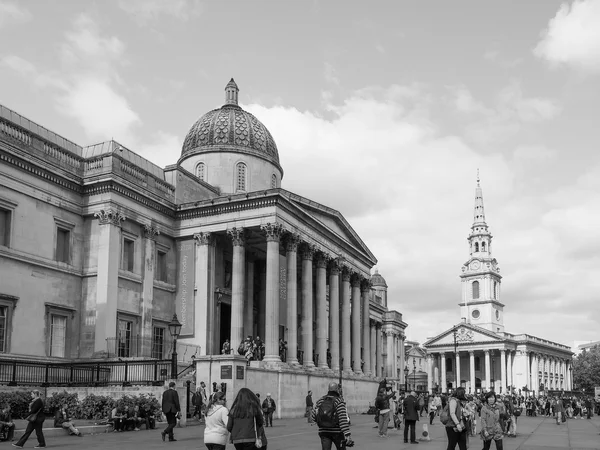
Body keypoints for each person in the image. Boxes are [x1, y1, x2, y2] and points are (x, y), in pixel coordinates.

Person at [311, 381, 353, 450]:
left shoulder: (321, 401)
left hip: (323, 431)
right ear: (337, 390)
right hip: (337, 432)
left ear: (328, 389)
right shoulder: (339, 401)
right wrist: (347, 434)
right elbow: (342, 419)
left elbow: (313, 415)